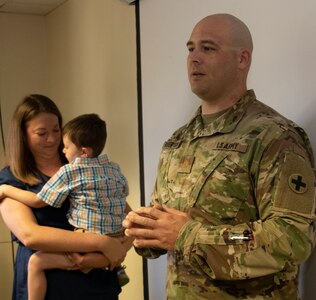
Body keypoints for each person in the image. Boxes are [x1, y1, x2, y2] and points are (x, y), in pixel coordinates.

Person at [123, 13, 316, 299]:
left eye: (208, 48)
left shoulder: (274, 136)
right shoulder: (178, 141)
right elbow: (168, 227)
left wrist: (189, 236)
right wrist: (143, 229)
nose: (194, 58)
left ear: (242, 59)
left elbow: (291, 237)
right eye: (190, 49)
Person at [0, 94, 132, 300]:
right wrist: (101, 243)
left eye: (56, 130)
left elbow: (122, 210)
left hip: (96, 283)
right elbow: (30, 235)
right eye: (41, 133)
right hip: (48, 286)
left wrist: (124, 244)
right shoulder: (11, 179)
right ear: (23, 135)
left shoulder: (81, 165)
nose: (52, 139)